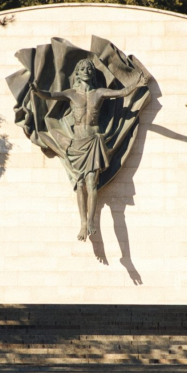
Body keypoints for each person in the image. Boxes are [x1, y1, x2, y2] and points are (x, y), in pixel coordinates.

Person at [31, 57, 147, 241]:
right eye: (82, 68)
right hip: (77, 143)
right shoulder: (71, 93)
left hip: (93, 141)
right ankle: (82, 223)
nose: (85, 70)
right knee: (80, 184)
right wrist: (37, 91)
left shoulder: (98, 93)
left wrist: (137, 84)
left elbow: (121, 93)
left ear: (92, 73)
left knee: (91, 183)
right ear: (77, 73)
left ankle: (91, 221)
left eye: (88, 68)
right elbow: (50, 95)